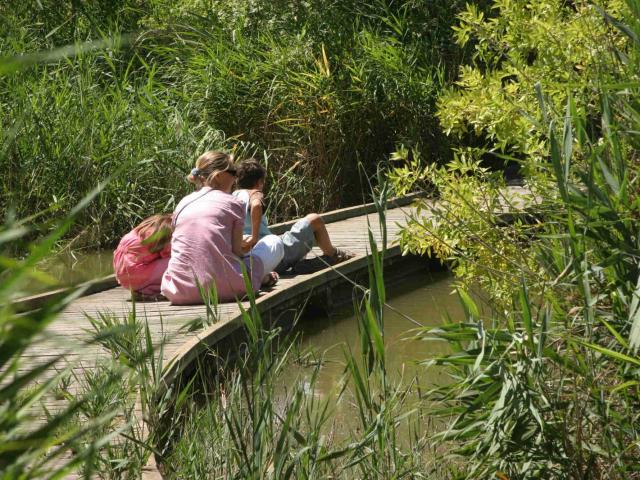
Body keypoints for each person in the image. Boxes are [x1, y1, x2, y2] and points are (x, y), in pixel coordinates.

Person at [161, 151, 284, 305]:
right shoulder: (233, 203)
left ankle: (261, 276)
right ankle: (262, 277)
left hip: (179, 291)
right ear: (218, 176)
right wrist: (247, 243)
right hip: (229, 289)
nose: (235, 177)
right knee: (274, 242)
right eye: (233, 172)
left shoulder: (182, 203)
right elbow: (237, 252)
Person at [233, 158, 354, 274]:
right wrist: (254, 238)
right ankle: (334, 255)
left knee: (287, 238)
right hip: (272, 256)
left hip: (248, 259)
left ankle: (301, 262)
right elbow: (256, 205)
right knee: (314, 219)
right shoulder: (253, 193)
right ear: (259, 182)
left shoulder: (231, 197)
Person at [113, 213, 172, 300]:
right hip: (137, 275)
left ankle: (143, 290)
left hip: (123, 277)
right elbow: (167, 253)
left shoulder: (139, 231)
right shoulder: (163, 233)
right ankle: (150, 291)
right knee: (175, 262)